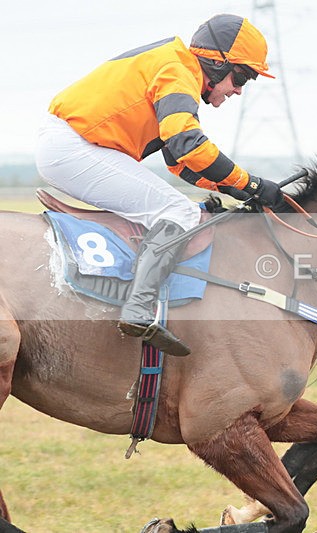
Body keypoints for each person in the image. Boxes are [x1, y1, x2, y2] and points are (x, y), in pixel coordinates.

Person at [35, 14, 283, 357]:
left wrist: (233, 189)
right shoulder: (176, 70)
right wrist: (250, 182)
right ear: (215, 63)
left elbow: (178, 162)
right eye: (240, 77)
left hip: (75, 144)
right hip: (74, 147)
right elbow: (188, 144)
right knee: (178, 209)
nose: (239, 89)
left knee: (177, 206)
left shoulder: (176, 66)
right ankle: (138, 308)